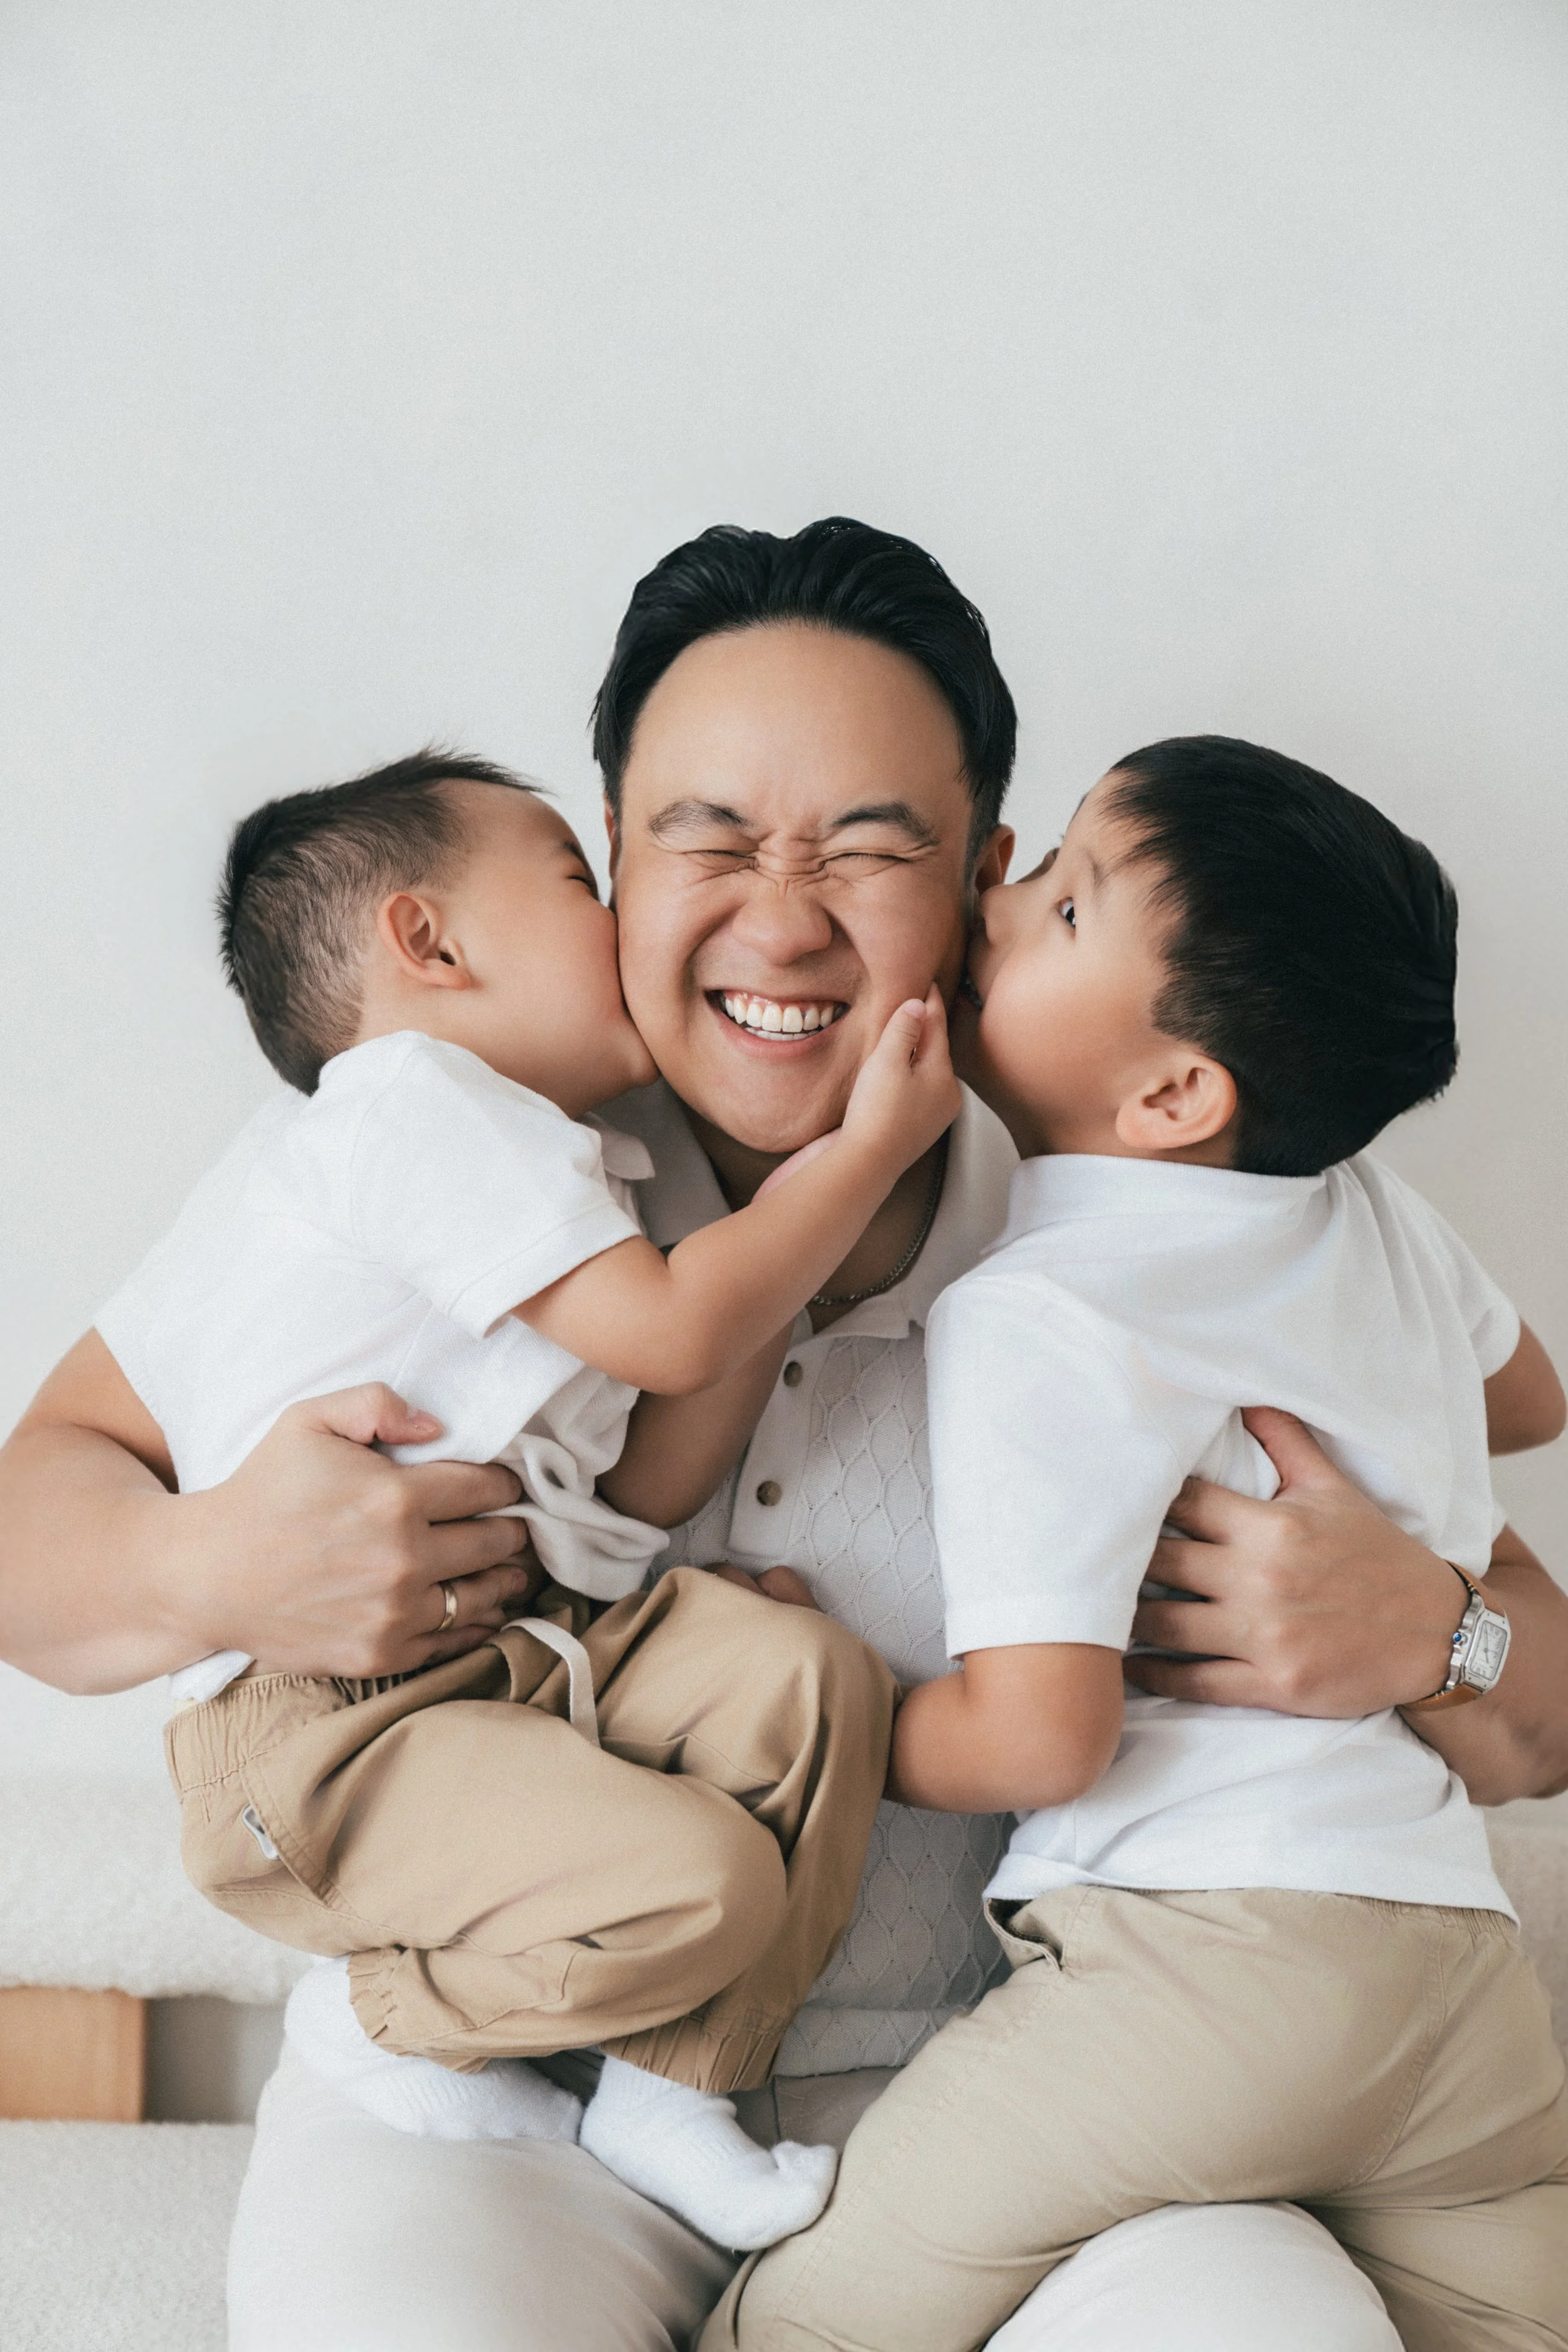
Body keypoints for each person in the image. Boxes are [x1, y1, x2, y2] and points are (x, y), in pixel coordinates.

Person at [3, 521, 1567, 2352]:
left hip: (1031, 2096)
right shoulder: (447, 1163)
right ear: (604, 858)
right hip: (506, 2112)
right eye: (705, 836)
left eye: (871, 848)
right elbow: (39, 1525)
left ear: (988, 882)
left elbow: (1536, 1703)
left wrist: (1435, 1629)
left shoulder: (1161, 1204)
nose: (779, 915)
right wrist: (210, 1558)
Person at [709, 736, 1568, 2351]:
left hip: (1201, 1967)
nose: (992, 897)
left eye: (1057, 904)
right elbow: (1528, 1399)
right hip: (1456, 1971)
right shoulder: (1378, 1213)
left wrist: (817, 1712)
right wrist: (1367, 1415)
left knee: (810, 2319)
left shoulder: (1040, 1310)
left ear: (1177, 1094)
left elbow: (1042, 1730)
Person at [99, 747, 956, 2247]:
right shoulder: (405, 1104)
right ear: (427, 946)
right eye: (577, 876)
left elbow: (646, 1470)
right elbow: (682, 1326)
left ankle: (670, 2085)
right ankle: (387, 2020)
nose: (621, 909)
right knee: (701, 1884)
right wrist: (858, 1150)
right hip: (320, 1728)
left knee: (812, 1677)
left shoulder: (557, 1172)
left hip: (520, 1655)